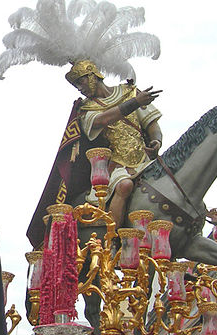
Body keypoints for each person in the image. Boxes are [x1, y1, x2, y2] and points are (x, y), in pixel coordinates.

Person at [66, 60, 163, 228]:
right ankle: (112, 240)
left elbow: (151, 125)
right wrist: (135, 102)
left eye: (80, 82)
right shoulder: (87, 109)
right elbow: (105, 118)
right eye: (77, 87)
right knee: (125, 185)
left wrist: (157, 141)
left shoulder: (130, 92)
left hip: (146, 160)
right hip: (119, 166)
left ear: (92, 75)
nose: (80, 89)